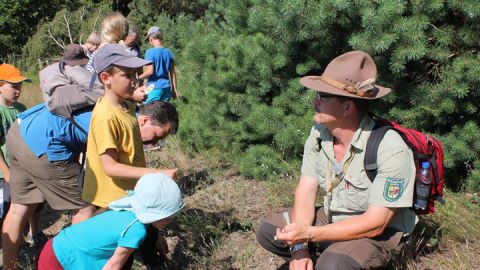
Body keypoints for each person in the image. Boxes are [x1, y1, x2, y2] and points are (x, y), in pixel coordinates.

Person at [256, 51, 417, 270]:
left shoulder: (390, 148)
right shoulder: (319, 134)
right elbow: (305, 191)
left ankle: (337, 258)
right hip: (333, 217)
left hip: (378, 232)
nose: (315, 101)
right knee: (268, 231)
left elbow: (376, 224)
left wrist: (309, 234)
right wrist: (300, 247)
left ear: (347, 107)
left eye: (323, 95)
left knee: (332, 266)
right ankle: (321, 255)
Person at [1, 99, 179, 269]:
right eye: (156, 136)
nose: (154, 143)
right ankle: (73, 259)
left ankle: (9, 267)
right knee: (85, 206)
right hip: (47, 143)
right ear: (145, 120)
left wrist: (153, 231)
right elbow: (113, 171)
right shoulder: (122, 124)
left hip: (22, 130)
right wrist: (159, 174)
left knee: (19, 209)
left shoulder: (121, 107)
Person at [80, 44, 177, 219]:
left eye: (135, 74)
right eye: (127, 75)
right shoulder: (106, 116)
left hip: (126, 195)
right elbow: (110, 167)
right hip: (112, 200)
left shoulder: (127, 107)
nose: (134, 81)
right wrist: (158, 174)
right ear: (106, 77)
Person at [37, 172, 184, 270]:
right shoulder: (136, 230)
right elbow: (113, 266)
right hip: (60, 262)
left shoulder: (124, 207)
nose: (169, 220)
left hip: (55, 246)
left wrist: (155, 237)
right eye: (168, 216)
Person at [0, 64, 44, 248]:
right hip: (6, 173)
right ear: (0, 85)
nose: (18, 90)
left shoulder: (21, 108)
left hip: (25, 167)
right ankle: (12, 245)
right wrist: (7, 172)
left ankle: (35, 233)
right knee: (10, 210)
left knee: (36, 202)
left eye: (20, 86)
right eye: (14, 86)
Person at [139, 26, 179, 103]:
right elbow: (173, 72)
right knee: (162, 112)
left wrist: (138, 77)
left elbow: (150, 71)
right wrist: (174, 89)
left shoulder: (150, 52)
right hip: (166, 88)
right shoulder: (168, 52)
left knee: (145, 110)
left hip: (154, 87)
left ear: (151, 39)